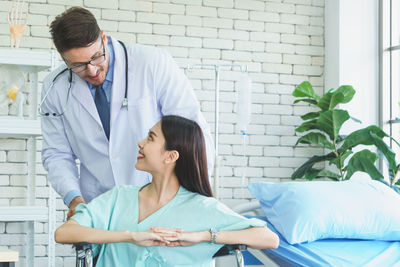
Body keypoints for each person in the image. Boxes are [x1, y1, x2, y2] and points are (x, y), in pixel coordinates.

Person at [40, 7, 213, 219]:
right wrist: (74, 199)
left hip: (162, 199)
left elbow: (191, 131)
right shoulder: (55, 88)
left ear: (103, 38)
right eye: (78, 66)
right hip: (100, 203)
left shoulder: (152, 63)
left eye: (96, 57)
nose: (92, 70)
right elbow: (57, 153)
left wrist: (192, 196)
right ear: (64, 59)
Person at [55, 115, 279, 266]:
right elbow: (63, 233)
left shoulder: (201, 208)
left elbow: (268, 238)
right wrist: (131, 236)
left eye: (150, 138)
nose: (140, 143)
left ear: (170, 156)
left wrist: (202, 236)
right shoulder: (118, 198)